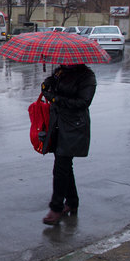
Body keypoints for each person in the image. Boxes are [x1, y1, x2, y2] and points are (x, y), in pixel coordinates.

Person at [40, 63, 97, 225]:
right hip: (58, 123)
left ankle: (56, 208)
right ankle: (72, 201)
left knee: (60, 166)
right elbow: (50, 82)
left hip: (74, 126)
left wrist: (57, 98)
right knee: (64, 165)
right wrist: (46, 85)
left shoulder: (87, 76)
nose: (65, 60)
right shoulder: (60, 71)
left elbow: (83, 102)